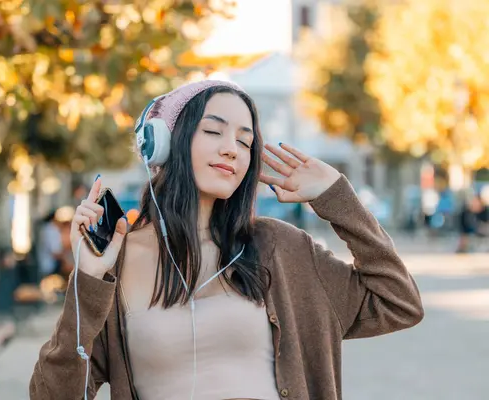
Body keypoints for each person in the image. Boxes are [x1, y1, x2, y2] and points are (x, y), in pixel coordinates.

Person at [29, 80, 424, 400]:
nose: (230, 149)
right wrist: (88, 283)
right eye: (214, 131)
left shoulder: (279, 248)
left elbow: (398, 301)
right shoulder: (117, 259)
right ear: (163, 143)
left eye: (244, 141)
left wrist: (337, 197)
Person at [37, 210, 64, 278]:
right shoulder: (52, 230)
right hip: (52, 263)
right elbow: (55, 251)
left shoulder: (45, 228)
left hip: (45, 262)